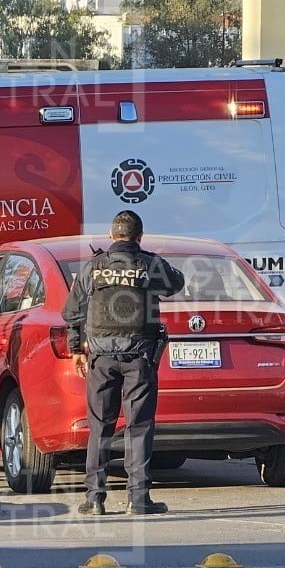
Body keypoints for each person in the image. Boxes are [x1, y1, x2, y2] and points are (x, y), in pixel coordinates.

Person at [61, 210, 184, 516]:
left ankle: (94, 499)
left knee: (100, 428)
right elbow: (176, 283)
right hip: (140, 358)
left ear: (111, 236)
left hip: (101, 360)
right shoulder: (150, 265)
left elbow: (73, 311)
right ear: (139, 237)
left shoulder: (94, 266)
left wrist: (76, 349)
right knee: (138, 427)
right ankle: (139, 500)